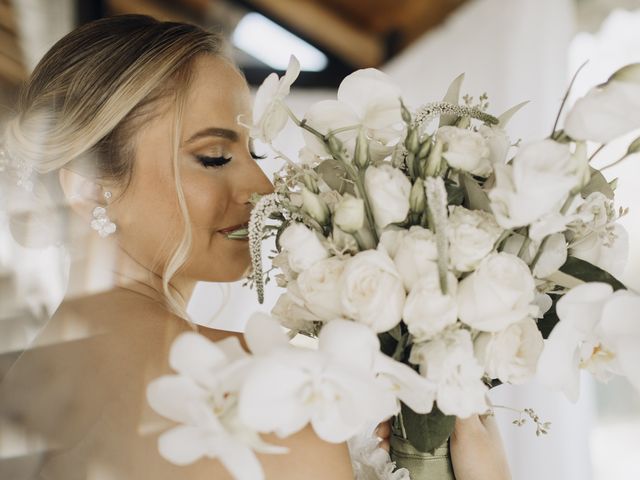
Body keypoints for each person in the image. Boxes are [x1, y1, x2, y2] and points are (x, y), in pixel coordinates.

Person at [0, 14, 510, 479]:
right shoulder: (262, 384)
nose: (263, 188)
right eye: (216, 157)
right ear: (89, 186)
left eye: (255, 151)